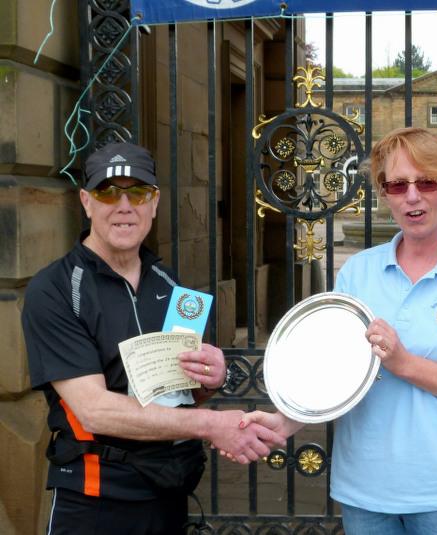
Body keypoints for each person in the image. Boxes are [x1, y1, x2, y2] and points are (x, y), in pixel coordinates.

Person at [242, 127, 437, 534]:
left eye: (427, 182)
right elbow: (335, 371)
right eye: (396, 185)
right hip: (366, 491)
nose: (412, 196)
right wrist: (287, 420)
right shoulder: (358, 272)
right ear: (382, 192)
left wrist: (405, 363)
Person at [22, 142, 285, 535]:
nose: (124, 205)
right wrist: (211, 425)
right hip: (96, 497)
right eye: (108, 192)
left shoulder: (169, 284)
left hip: (168, 490)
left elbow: (177, 392)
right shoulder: (56, 288)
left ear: (155, 202)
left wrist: (209, 382)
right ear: (86, 202)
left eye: (138, 192)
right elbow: (95, 410)